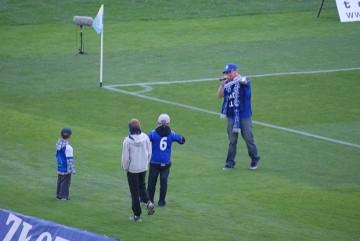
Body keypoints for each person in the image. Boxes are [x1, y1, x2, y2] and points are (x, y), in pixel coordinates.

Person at [217, 63, 260, 170]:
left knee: (249, 139)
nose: (228, 74)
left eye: (229, 72)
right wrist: (223, 84)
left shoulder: (244, 79)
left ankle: (254, 159)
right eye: (226, 72)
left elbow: (244, 81)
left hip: (244, 116)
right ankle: (230, 163)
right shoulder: (227, 84)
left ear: (236, 71)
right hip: (231, 116)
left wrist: (236, 80)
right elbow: (219, 95)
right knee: (232, 141)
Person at [147, 114, 185, 207]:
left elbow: (145, 139)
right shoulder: (171, 134)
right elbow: (182, 140)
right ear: (168, 123)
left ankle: (150, 201)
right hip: (166, 162)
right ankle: (161, 202)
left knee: (152, 182)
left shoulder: (153, 133)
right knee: (164, 183)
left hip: (154, 162)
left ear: (157, 122)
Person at [121, 118, 155, 222]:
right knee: (142, 186)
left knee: (134, 192)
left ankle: (137, 215)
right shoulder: (145, 137)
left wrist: (125, 167)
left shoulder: (127, 141)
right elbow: (149, 153)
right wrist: (145, 163)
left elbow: (125, 157)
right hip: (143, 167)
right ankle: (148, 202)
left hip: (133, 169)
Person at [56, 127, 76, 200]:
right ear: (70, 136)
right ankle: (63, 196)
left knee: (59, 181)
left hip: (60, 165)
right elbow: (69, 160)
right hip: (66, 168)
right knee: (65, 183)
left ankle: (58, 195)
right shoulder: (68, 147)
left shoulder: (58, 144)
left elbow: (57, 154)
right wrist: (72, 169)